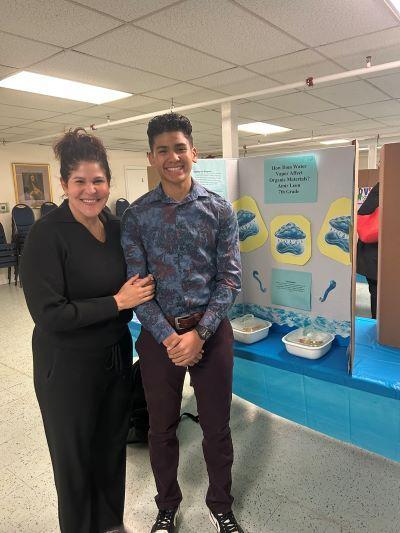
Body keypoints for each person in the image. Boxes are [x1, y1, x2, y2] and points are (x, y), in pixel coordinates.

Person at [20, 128, 155, 533]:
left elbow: (139, 281)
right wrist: (117, 302)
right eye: (79, 181)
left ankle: (111, 524)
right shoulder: (47, 234)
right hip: (67, 368)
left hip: (115, 358)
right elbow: (49, 314)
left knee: (111, 450)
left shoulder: (116, 229)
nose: (90, 190)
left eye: (98, 180)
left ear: (109, 183)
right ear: (64, 184)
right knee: (75, 462)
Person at [121, 113, 243, 533]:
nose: (172, 157)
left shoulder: (219, 210)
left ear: (193, 152)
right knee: (161, 429)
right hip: (160, 339)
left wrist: (200, 335)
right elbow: (137, 289)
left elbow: (230, 280)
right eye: (163, 150)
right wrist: (172, 338)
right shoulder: (137, 216)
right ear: (151, 157)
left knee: (217, 428)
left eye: (179, 148)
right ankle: (166, 507)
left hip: (211, 332)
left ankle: (221, 505)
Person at [357, 181, 379, 319]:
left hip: (372, 255)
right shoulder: (387, 186)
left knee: (376, 292)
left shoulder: (383, 187)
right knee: (378, 293)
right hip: (374, 256)